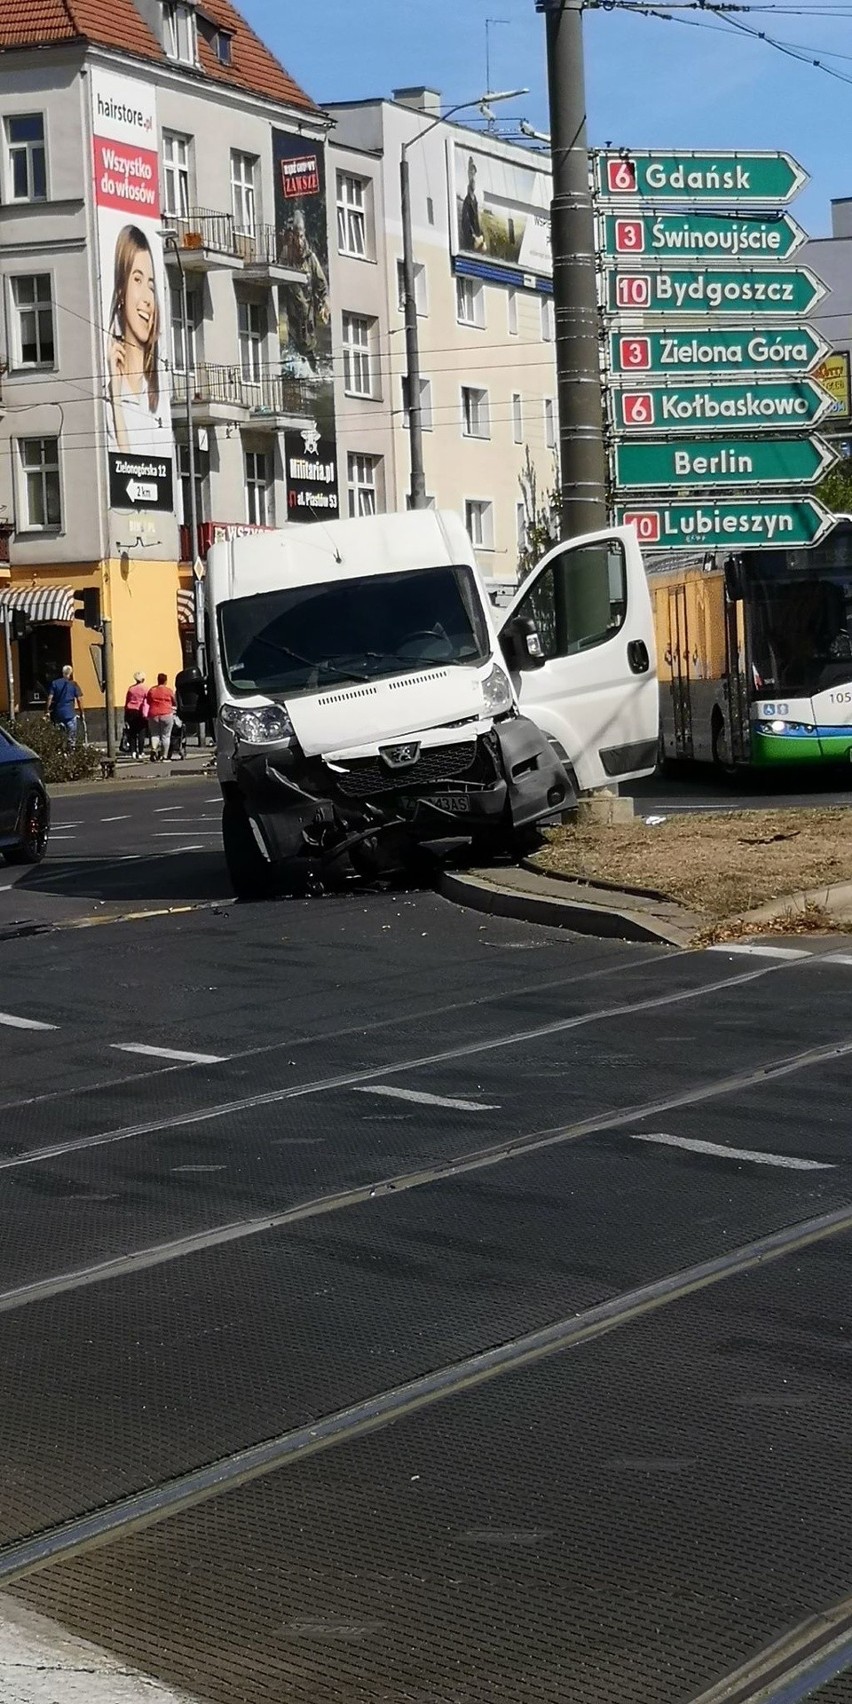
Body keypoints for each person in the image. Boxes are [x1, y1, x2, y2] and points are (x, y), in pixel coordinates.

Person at [106, 225, 169, 457]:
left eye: (151, 286)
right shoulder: (108, 394)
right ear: (121, 291)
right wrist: (116, 397)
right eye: (137, 280)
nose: (147, 299)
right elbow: (123, 462)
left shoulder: (159, 393)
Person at [279, 208, 330, 375]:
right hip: (289, 315)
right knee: (291, 350)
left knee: (308, 347)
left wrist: (325, 303)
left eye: (301, 236)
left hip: (307, 315)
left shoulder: (310, 258)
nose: (299, 241)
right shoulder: (285, 257)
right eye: (296, 236)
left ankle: (312, 372)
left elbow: (322, 284)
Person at [46, 665, 83, 748]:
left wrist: (47, 711)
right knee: (71, 737)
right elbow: (79, 699)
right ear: (71, 674)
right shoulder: (73, 684)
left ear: (62, 673)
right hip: (70, 714)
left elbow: (50, 698)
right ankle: (70, 753)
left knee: (60, 737)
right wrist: (81, 713)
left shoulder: (55, 683)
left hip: (58, 714)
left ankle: (60, 752)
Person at [144, 672, 176, 762]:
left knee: (155, 734)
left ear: (157, 680)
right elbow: (174, 701)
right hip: (166, 713)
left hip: (153, 714)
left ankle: (154, 749)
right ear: (165, 681)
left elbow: (148, 701)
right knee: (166, 736)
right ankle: (164, 756)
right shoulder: (168, 691)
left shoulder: (152, 690)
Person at [460, 156, 486, 254]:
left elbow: (478, 219)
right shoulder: (467, 201)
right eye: (471, 172)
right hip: (472, 241)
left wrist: (481, 236)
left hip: (478, 238)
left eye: (474, 172)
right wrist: (473, 236)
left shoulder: (476, 200)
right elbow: (465, 222)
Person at [123, 671, 148, 760]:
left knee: (132, 732)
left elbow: (126, 702)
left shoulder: (131, 689)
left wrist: (125, 716)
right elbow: (147, 701)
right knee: (141, 732)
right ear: (143, 679)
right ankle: (141, 752)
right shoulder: (145, 689)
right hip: (140, 711)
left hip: (130, 711)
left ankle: (133, 752)